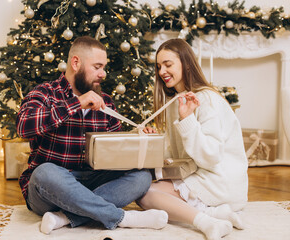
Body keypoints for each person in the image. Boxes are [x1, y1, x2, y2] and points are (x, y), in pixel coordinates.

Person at [16, 36, 168, 234]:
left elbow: (117, 151)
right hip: (51, 189)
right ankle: (121, 217)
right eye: (97, 67)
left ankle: (65, 217)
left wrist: (138, 138)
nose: (103, 73)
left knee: (141, 177)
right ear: (76, 63)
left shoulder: (106, 103)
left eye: (103, 67)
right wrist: (76, 103)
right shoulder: (45, 93)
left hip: (92, 183)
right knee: (45, 173)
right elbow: (23, 126)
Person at [137, 39, 248, 240]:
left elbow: (210, 156)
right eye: (159, 66)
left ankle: (207, 223)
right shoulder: (177, 101)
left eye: (168, 65)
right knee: (142, 192)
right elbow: (178, 156)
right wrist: (155, 144)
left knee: (145, 195)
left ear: (186, 64)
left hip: (219, 181)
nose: (162, 71)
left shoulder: (206, 99)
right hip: (199, 174)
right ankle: (216, 214)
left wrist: (188, 119)